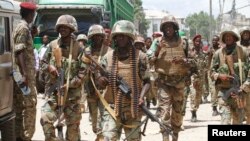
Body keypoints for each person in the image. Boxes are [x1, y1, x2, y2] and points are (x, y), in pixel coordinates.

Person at [90, 20, 150, 141]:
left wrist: (141, 97)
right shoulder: (108, 57)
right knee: (107, 138)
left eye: (123, 36)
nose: (120, 39)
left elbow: (147, 81)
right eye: (117, 36)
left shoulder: (140, 57)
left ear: (130, 37)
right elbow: (99, 80)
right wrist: (101, 80)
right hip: (112, 107)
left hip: (132, 107)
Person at [147, 15, 196, 141]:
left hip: (180, 83)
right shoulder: (157, 42)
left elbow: (194, 61)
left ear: (175, 28)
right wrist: (158, 50)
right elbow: (149, 60)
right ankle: (165, 137)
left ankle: (175, 137)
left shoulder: (184, 42)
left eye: (171, 26)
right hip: (164, 83)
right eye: (166, 27)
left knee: (177, 114)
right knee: (164, 112)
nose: (169, 29)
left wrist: (183, 61)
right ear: (163, 29)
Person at [40, 14, 84, 140]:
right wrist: (49, 68)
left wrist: (69, 84)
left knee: (73, 132)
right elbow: (43, 62)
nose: (63, 29)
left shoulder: (78, 48)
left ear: (72, 29)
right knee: (45, 119)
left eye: (66, 27)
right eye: (60, 27)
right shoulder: (53, 45)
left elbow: (82, 74)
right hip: (55, 93)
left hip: (72, 97)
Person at [210, 26, 249, 124]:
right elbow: (211, 72)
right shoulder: (218, 54)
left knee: (237, 122)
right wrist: (219, 76)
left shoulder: (244, 52)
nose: (228, 38)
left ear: (235, 38)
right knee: (225, 122)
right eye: (226, 36)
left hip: (240, 93)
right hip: (224, 93)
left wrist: (243, 88)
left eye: (230, 36)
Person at [12, 2, 37, 140]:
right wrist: (25, 74)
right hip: (23, 77)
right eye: (33, 14)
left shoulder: (22, 27)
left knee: (20, 107)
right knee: (29, 107)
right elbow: (19, 50)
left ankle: (20, 137)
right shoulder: (23, 28)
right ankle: (25, 137)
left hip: (19, 75)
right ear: (31, 14)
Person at [83, 24, 110, 140]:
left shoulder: (109, 51)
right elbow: (81, 70)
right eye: (94, 37)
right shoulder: (86, 52)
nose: (96, 39)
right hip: (91, 90)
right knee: (94, 123)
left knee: (102, 121)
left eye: (99, 36)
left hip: (105, 92)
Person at [188, 34, 209, 122]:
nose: (198, 43)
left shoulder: (203, 54)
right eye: (196, 41)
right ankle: (193, 113)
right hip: (193, 77)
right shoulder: (190, 54)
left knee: (198, 96)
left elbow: (206, 66)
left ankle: (195, 108)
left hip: (201, 78)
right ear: (193, 42)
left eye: (199, 41)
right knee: (193, 94)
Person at [238, 26, 250, 124]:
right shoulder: (237, 47)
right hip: (240, 79)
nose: (246, 35)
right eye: (244, 33)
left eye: (247, 33)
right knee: (239, 106)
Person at [208, 35, 221, 116]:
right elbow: (208, 62)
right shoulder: (210, 50)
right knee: (213, 91)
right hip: (211, 72)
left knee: (220, 90)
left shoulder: (221, 50)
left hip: (220, 72)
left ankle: (222, 107)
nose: (214, 42)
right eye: (213, 40)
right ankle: (214, 108)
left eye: (216, 40)